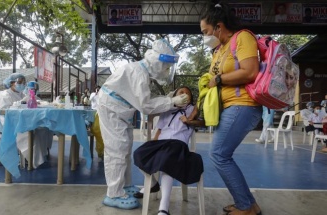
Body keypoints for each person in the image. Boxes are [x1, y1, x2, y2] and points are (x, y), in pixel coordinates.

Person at [97, 38, 189, 210]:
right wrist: (172, 102)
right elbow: (145, 106)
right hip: (112, 109)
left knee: (125, 148)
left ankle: (124, 185)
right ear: (158, 62)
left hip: (119, 110)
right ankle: (113, 194)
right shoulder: (138, 74)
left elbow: (144, 100)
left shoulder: (142, 72)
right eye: (166, 67)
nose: (167, 70)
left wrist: (168, 99)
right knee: (117, 149)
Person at [200, 3, 262, 215]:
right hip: (229, 107)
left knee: (219, 154)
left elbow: (250, 72)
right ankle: (249, 204)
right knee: (222, 154)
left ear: (218, 26)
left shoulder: (242, 38)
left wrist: (217, 78)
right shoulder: (218, 50)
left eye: (205, 31)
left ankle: (245, 207)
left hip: (242, 105)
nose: (204, 36)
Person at [133, 86, 204, 215]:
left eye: (187, 94)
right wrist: (153, 145)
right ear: (175, 95)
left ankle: (164, 207)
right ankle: (154, 184)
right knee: (138, 153)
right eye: (181, 92)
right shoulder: (167, 109)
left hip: (178, 144)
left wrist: (189, 121)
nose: (184, 94)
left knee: (167, 161)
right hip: (161, 143)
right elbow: (159, 129)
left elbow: (202, 122)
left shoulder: (192, 110)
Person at [0, 73, 52, 169]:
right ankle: (32, 159)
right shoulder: (3, 95)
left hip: (19, 122)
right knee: (26, 132)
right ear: (11, 83)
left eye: (23, 82)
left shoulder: (22, 94)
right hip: (3, 124)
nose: (22, 84)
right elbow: (5, 112)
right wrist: (20, 104)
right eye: (19, 82)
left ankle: (38, 156)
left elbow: (31, 103)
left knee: (43, 129)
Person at [89, 86, 104, 161]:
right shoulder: (93, 94)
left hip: (101, 113)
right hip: (94, 112)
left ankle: (102, 152)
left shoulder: (103, 95)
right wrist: (96, 94)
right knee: (97, 130)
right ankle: (100, 152)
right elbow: (90, 99)